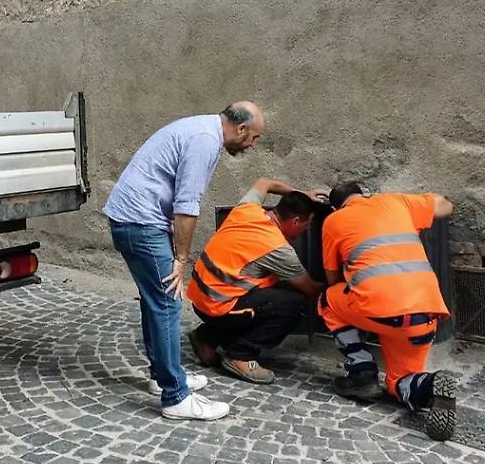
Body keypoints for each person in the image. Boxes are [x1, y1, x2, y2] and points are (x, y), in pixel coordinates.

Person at [104, 102, 265, 421]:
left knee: (156, 302)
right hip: (141, 223)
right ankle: (175, 396)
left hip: (133, 219)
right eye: (254, 138)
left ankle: (163, 374)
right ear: (241, 129)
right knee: (167, 301)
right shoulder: (205, 140)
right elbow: (186, 206)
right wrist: (181, 258)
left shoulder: (202, 129)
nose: (253, 145)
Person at [318, 181, 458, 441]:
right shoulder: (397, 201)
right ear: (364, 195)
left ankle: (361, 373)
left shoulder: (334, 220)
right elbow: (446, 205)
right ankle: (430, 385)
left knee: (327, 301)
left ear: (336, 206)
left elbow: (332, 278)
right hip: (427, 313)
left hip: (380, 311)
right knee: (399, 383)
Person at [185, 177, 327, 385]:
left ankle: (207, 337)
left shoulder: (247, 209)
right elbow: (311, 289)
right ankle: (241, 356)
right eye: (306, 225)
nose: (306, 230)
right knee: (294, 304)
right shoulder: (278, 249)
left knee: (268, 293)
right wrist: (343, 284)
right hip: (219, 307)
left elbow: (264, 182)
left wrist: (302, 193)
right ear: (295, 221)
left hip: (200, 299)